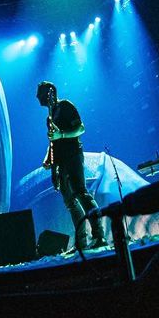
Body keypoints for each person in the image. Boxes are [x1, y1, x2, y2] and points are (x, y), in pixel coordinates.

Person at [37, 81, 105, 250]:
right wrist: (49, 161)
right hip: (60, 162)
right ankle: (81, 242)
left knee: (81, 193)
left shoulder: (65, 106)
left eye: (40, 93)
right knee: (70, 202)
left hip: (73, 155)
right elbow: (53, 142)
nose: (37, 97)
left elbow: (80, 128)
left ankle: (99, 236)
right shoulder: (49, 117)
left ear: (50, 93)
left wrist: (61, 134)